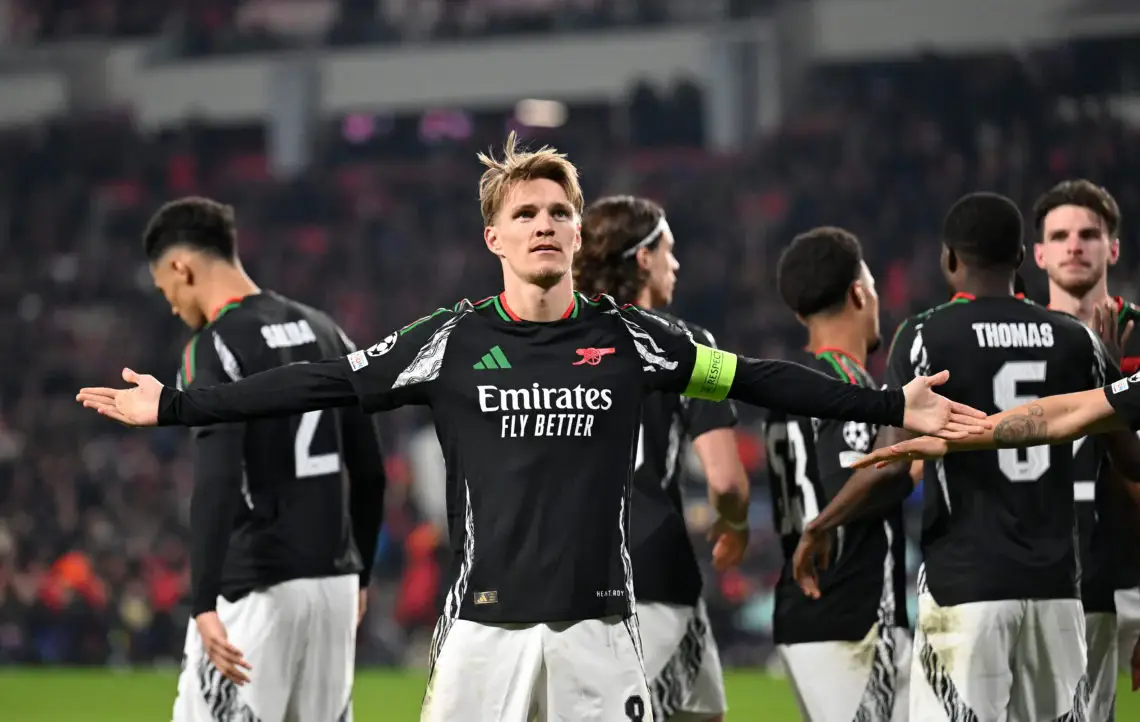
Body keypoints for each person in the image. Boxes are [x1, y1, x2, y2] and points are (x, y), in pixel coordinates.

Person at [77, 133, 985, 722]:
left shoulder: (637, 340)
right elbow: (318, 382)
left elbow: (757, 377)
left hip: (600, 632)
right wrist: (177, 403)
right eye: (527, 214)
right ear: (496, 240)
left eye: (560, 212)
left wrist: (887, 402)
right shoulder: (447, 343)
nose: (546, 224)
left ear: (576, 229)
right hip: (484, 634)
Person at [794, 192, 1116, 721]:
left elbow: (894, 467)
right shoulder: (1078, 339)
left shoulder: (923, 336)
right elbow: (1129, 460)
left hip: (965, 587)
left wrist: (822, 524)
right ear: (1020, 258)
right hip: (1058, 589)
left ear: (949, 259)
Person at [143, 197, 386, 722]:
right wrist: (360, 575)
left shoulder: (213, 347)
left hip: (257, 589)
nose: (171, 304)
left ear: (181, 267)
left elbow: (218, 478)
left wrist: (203, 600)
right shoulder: (326, 331)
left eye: (166, 287)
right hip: (335, 588)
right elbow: (370, 470)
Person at [573, 195, 749, 722]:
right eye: (668, 250)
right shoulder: (693, 346)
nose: (677, 263)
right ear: (643, 258)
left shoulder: (553, 346)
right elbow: (727, 481)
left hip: (569, 578)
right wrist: (733, 524)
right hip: (655, 570)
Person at [765, 227, 911, 722]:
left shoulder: (791, 381)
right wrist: (919, 455)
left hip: (806, 613)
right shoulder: (846, 384)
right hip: (849, 612)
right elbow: (860, 479)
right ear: (859, 293)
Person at [1033, 178, 1140, 719]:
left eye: (1089, 234)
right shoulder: (1022, 344)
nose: (1075, 245)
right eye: (1061, 235)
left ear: (1112, 248)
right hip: (1061, 576)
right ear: (1039, 252)